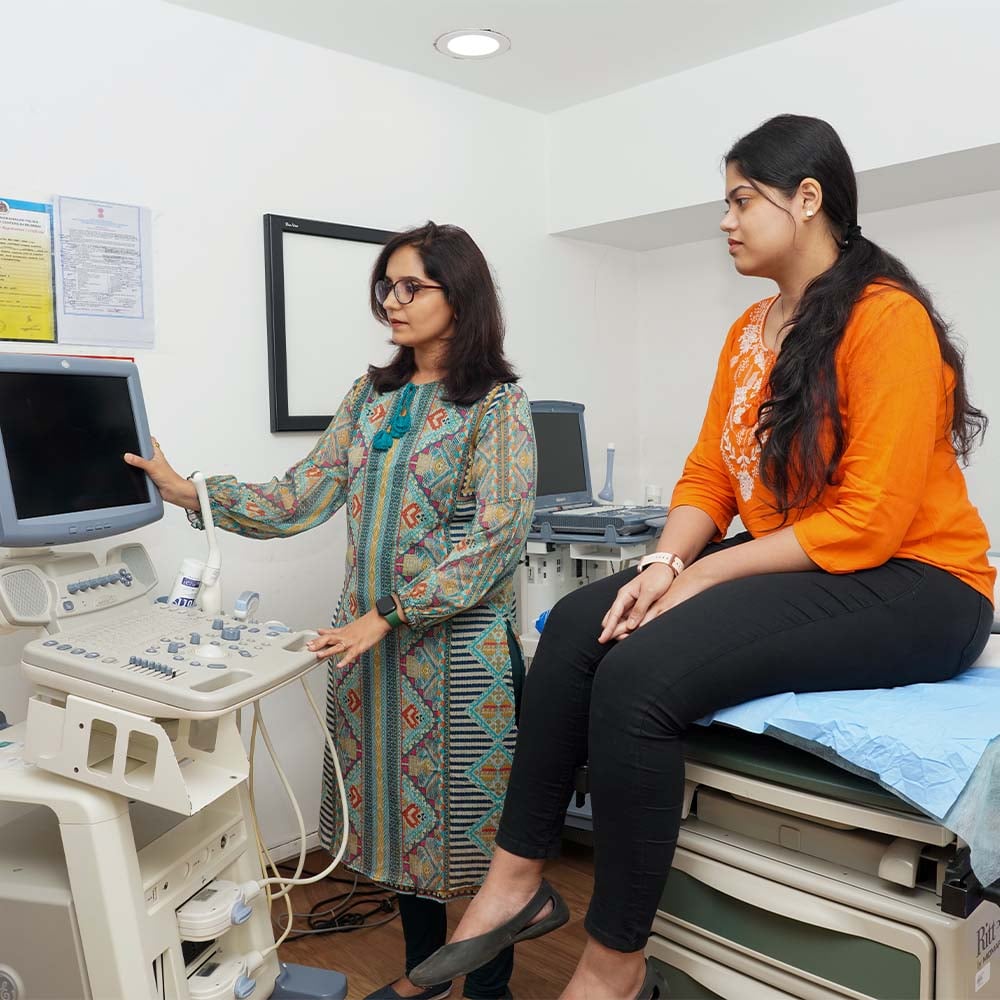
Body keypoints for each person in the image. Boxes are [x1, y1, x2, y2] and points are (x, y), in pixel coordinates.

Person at [408, 115, 996, 1000]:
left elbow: (870, 522)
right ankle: (516, 881)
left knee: (638, 677)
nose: (725, 220)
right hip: (811, 560)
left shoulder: (888, 321)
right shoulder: (751, 330)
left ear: (808, 199)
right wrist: (662, 564)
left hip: (922, 585)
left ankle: (614, 962)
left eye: (741, 200)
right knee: (574, 626)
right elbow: (710, 475)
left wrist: (708, 569)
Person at [126, 221, 536, 1000]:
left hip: (456, 664)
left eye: (411, 286)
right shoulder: (370, 397)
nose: (392, 301)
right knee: (405, 840)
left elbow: (497, 540)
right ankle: (424, 981)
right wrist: (189, 491)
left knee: (477, 845)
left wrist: (388, 613)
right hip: (371, 654)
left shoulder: (497, 406)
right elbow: (300, 497)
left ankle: (490, 992)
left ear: (461, 297)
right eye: (386, 286)